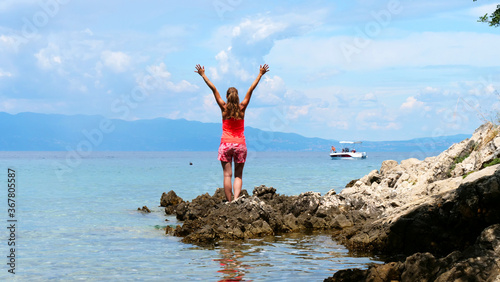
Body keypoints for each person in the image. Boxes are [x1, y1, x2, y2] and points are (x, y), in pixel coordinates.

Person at [195, 64, 270, 202]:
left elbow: (214, 89)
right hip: (240, 145)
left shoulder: (223, 108)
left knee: (227, 175)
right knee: (238, 175)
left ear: (227, 96)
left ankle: (229, 202)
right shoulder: (242, 108)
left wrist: (203, 75)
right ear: (237, 97)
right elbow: (251, 89)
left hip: (225, 145)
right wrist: (260, 74)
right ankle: (236, 200)